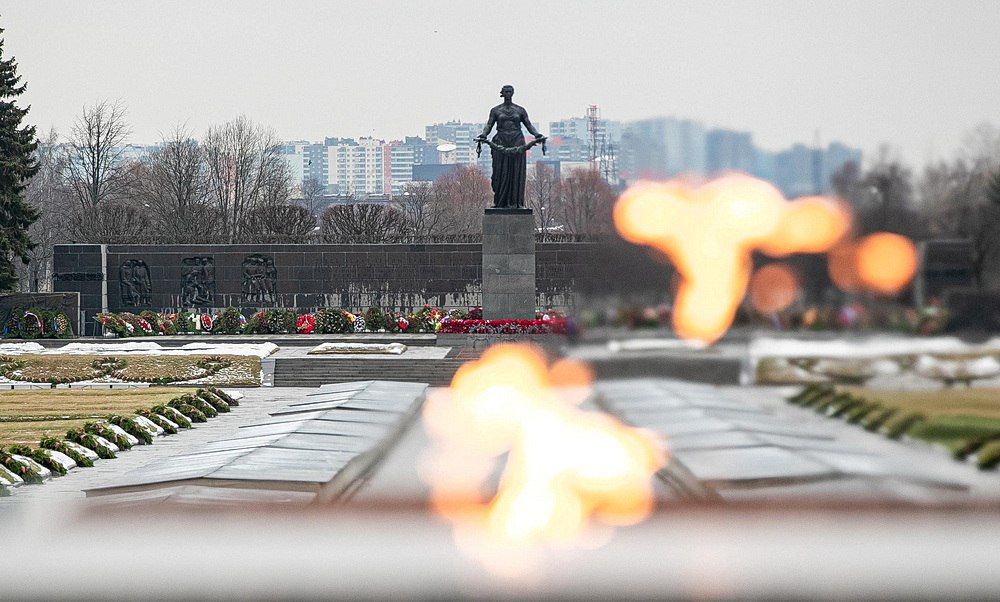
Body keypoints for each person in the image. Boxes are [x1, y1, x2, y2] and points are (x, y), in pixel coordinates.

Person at [476, 85, 545, 208]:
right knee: (500, 173)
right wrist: (484, 135)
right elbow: (489, 125)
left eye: (510, 91)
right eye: (506, 91)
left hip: (517, 141)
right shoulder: (495, 110)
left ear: (513, 93)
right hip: (500, 142)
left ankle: (515, 202)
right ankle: (500, 202)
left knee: (516, 172)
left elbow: (529, 125)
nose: (508, 93)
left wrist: (537, 134)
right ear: (502, 93)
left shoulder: (520, 110)